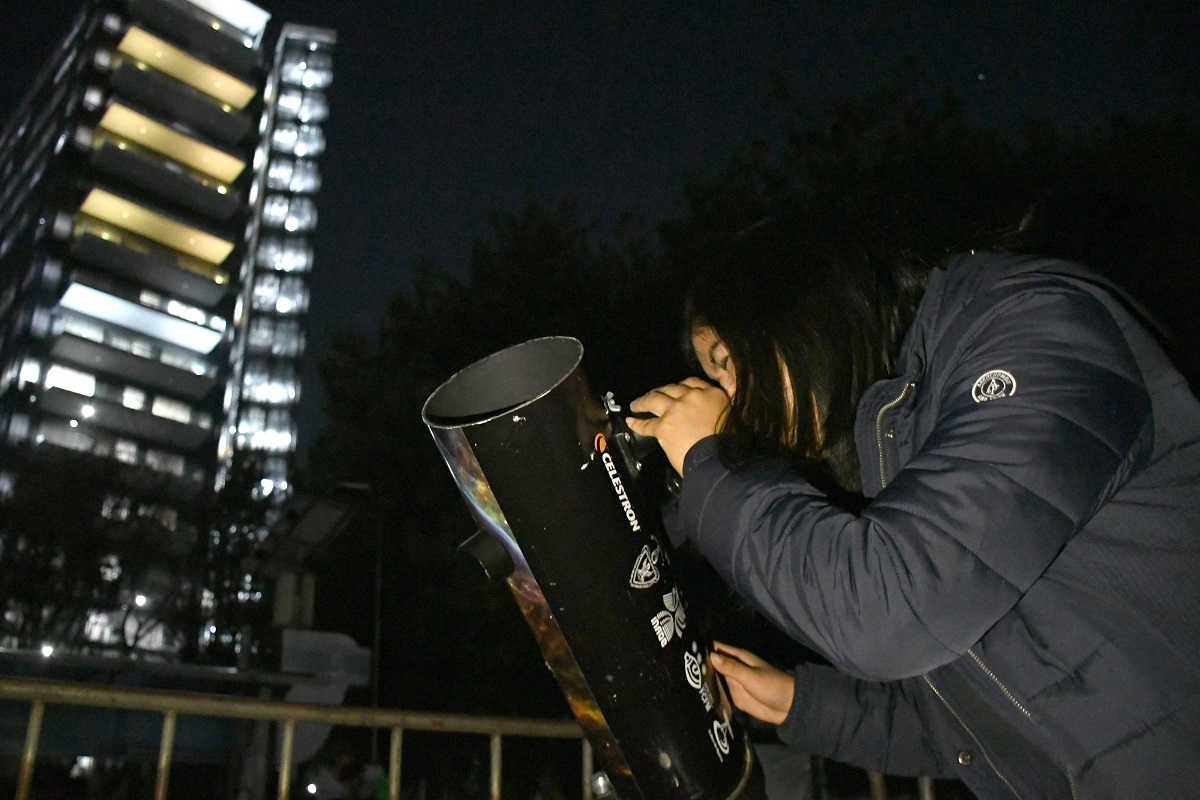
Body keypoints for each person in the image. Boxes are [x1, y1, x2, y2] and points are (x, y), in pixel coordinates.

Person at [625, 217, 1200, 799]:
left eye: (727, 362)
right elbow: (975, 728)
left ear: (794, 316)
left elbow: (887, 611)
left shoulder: (1037, 327)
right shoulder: (890, 443)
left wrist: (709, 459)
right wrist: (801, 702)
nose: (729, 398)